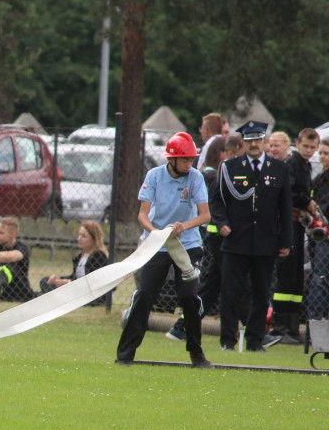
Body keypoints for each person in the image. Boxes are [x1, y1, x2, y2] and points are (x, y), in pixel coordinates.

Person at [115, 132, 212, 367]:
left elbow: (205, 215)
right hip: (156, 245)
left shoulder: (196, 178)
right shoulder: (154, 176)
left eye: (192, 159)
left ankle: (196, 354)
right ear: (172, 159)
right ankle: (125, 355)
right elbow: (142, 214)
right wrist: (155, 233)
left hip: (187, 245)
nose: (190, 164)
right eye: (185, 160)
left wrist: (183, 226)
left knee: (189, 297)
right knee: (145, 295)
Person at [209, 121, 293, 353]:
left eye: (258, 140)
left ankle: (255, 340)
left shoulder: (279, 169)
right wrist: (222, 222)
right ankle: (227, 340)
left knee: (261, 292)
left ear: (265, 142)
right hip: (236, 240)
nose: (254, 145)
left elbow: (286, 208)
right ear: (243, 143)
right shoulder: (229, 167)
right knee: (230, 292)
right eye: (249, 141)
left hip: (266, 242)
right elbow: (216, 200)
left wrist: (286, 241)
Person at [166, 136, 232, 341]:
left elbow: (206, 211)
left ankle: (182, 328)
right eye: (227, 151)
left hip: (203, 237)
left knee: (207, 286)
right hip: (215, 236)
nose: (189, 164)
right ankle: (249, 330)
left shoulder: (200, 175)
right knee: (229, 282)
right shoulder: (211, 175)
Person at [270, 128, 319, 343]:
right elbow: (288, 193)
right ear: (297, 144)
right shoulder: (292, 164)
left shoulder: (305, 165)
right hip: (288, 224)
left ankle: (291, 327)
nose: (308, 150)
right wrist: (306, 202)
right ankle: (279, 327)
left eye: (312, 147)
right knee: (286, 276)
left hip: (298, 226)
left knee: (297, 278)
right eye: (305, 146)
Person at [39, 220, 109, 305]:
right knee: (45, 281)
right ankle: (52, 298)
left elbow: (93, 282)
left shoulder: (99, 256)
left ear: (94, 239)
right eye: (79, 235)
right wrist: (58, 279)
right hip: (75, 291)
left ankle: (49, 297)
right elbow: (75, 277)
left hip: (89, 295)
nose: (79, 238)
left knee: (47, 292)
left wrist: (69, 283)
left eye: (84, 236)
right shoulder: (81, 257)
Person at [0, 216, 35, 303]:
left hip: (18, 290)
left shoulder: (22, 247)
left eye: (1, 233)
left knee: (7, 267)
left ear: (12, 234)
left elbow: (10, 257)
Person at [307, 138, 329, 324]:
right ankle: (315, 320)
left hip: (325, 234)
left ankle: (315, 318)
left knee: (320, 277)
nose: (322, 157)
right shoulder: (320, 177)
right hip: (320, 234)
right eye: (321, 153)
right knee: (319, 276)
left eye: (326, 153)